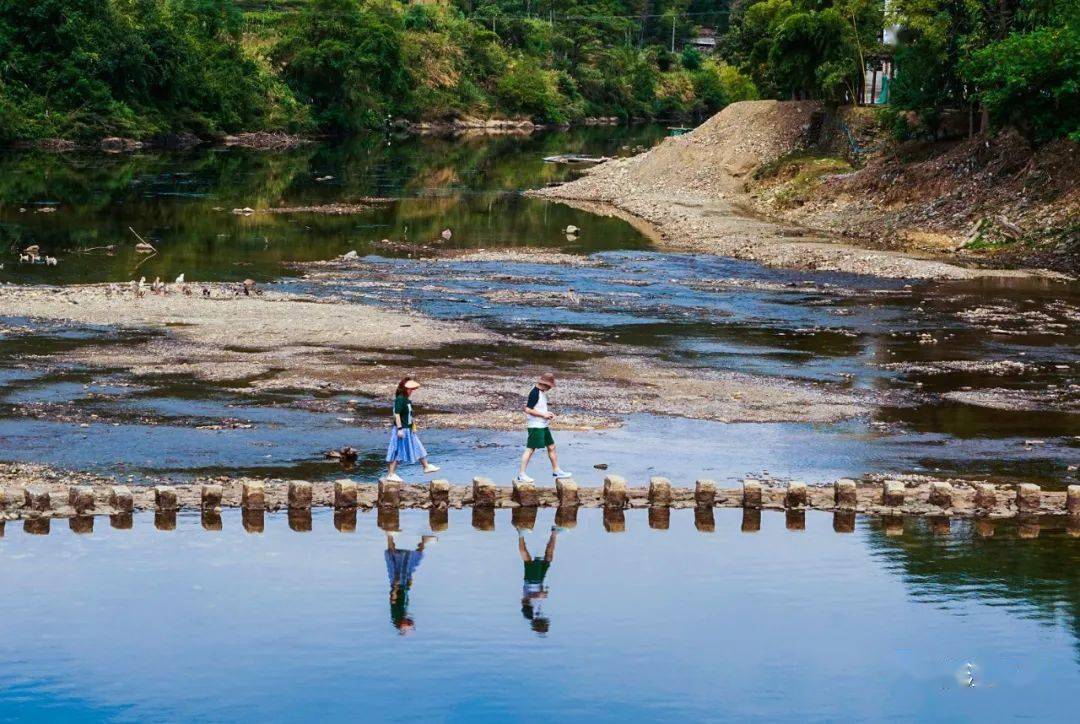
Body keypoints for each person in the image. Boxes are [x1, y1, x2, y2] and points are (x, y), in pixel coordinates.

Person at [516, 372, 571, 483]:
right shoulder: (534, 393)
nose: (550, 388)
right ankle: (521, 475)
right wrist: (543, 415)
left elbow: (538, 408)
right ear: (545, 384)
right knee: (530, 449)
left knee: (551, 446)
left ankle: (556, 470)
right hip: (536, 426)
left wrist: (547, 413)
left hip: (543, 425)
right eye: (550, 386)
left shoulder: (541, 393)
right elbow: (527, 409)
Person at [385, 377, 439, 483]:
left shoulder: (407, 400)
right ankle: (391, 474)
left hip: (408, 429)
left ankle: (426, 467)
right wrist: (400, 429)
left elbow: (408, 415)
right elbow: (397, 414)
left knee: (418, 446)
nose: (412, 391)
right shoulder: (400, 399)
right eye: (410, 389)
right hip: (402, 430)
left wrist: (413, 426)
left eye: (412, 389)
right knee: (397, 450)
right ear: (405, 389)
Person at [386, 532, 437, 634]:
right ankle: (423, 541)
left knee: (394, 559)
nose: (409, 621)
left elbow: (393, 599)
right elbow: (405, 597)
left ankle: (390, 535)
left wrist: (395, 586)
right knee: (413, 562)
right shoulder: (403, 614)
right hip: (404, 585)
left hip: (398, 584)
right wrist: (408, 585)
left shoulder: (397, 615)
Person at [519, 525, 562, 635]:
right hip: (539, 581)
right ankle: (554, 533)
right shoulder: (538, 614)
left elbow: (524, 599)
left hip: (532, 582)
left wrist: (539, 595)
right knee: (549, 558)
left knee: (527, 558)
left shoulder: (529, 615)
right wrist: (543, 592)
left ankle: (521, 534)